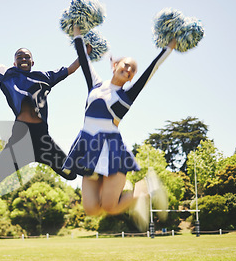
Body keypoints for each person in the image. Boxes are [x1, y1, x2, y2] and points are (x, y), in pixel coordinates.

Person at [62, 24, 174, 229]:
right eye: (126, 65)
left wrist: (170, 47)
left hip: (111, 150)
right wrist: (77, 32)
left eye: (133, 70)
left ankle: (144, 187)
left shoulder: (127, 96)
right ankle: (132, 190)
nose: (129, 70)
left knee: (111, 207)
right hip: (88, 148)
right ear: (115, 65)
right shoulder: (95, 84)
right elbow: (84, 60)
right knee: (91, 209)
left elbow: (153, 68)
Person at [0, 47, 81, 185]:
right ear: (14, 63)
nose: (23, 59)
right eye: (19, 57)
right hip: (21, 139)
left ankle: (41, 156)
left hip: (43, 140)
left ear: (32, 62)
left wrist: (85, 52)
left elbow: (70, 69)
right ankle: (25, 156)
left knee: (70, 174)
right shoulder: (8, 74)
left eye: (27, 57)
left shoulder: (45, 77)